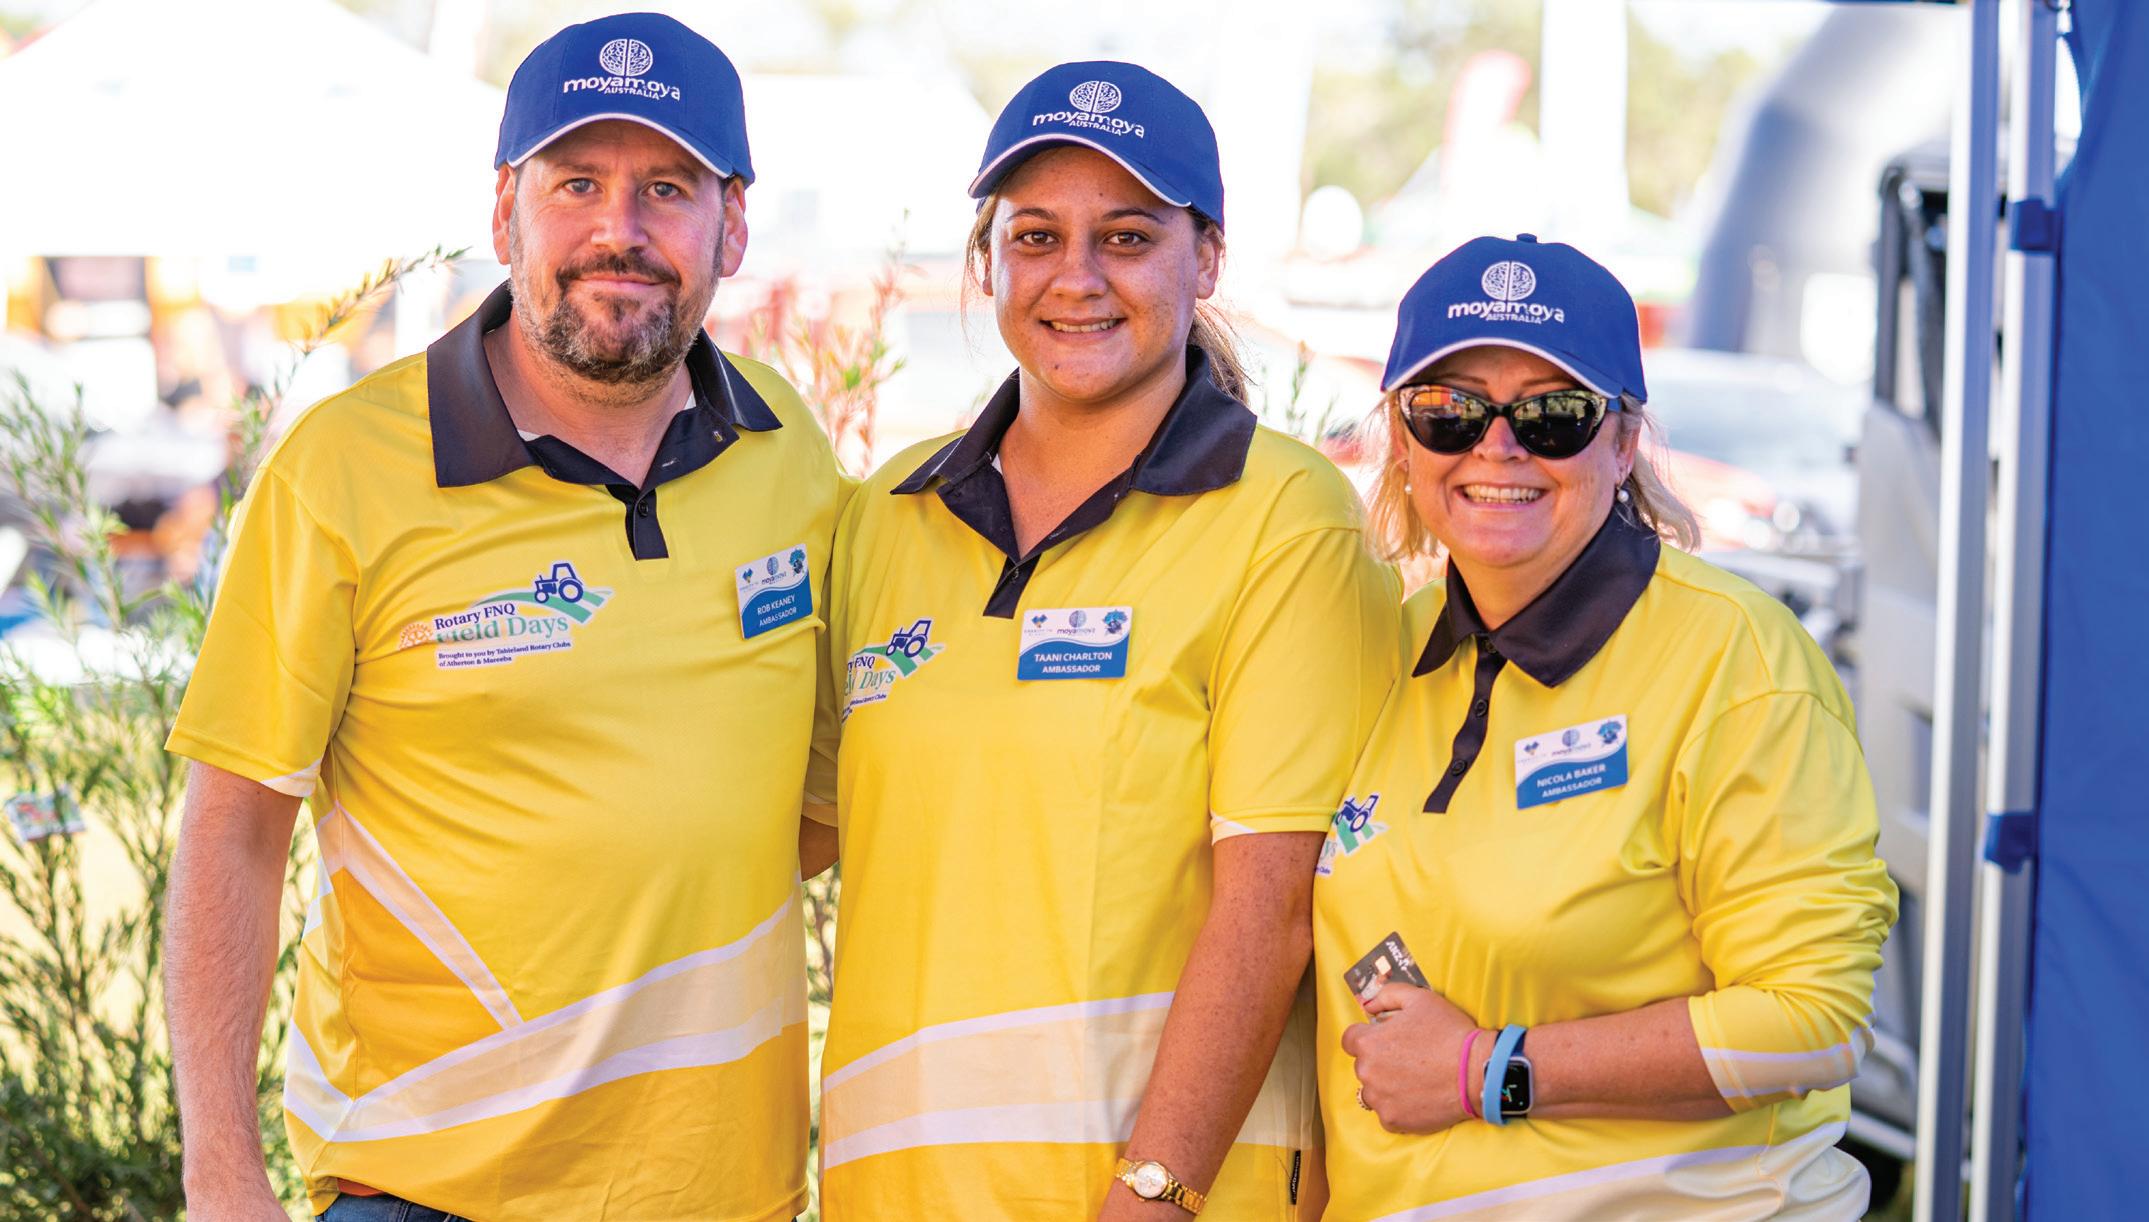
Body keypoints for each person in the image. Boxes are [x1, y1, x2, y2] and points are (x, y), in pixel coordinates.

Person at [162, 14, 842, 1221]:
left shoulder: (789, 452)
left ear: (733, 225)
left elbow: (809, 797)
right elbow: (235, 827)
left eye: (667, 188)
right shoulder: (344, 470)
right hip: (422, 1186)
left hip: (722, 1190)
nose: (618, 230)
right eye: (575, 183)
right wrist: (221, 1172)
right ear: (503, 213)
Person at [809, 62, 1400, 1220]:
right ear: (987, 262)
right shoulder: (888, 514)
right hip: (895, 1188)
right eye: (1035, 236)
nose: (1075, 277)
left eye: (1126, 237)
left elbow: (1275, 907)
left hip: (1158, 1197)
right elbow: (793, 831)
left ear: (1206, 257)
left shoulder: (1284, 517)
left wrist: (1155, 1188)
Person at [1313, 234, 1899, 1218]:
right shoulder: (1388, 649)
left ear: (1623, 443)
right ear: (1403, 440)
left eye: (1553, 415)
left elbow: (1813, 1022)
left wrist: (1487, 1069)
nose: (1497, 446)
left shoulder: (1737, 663)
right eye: (1450, 409)